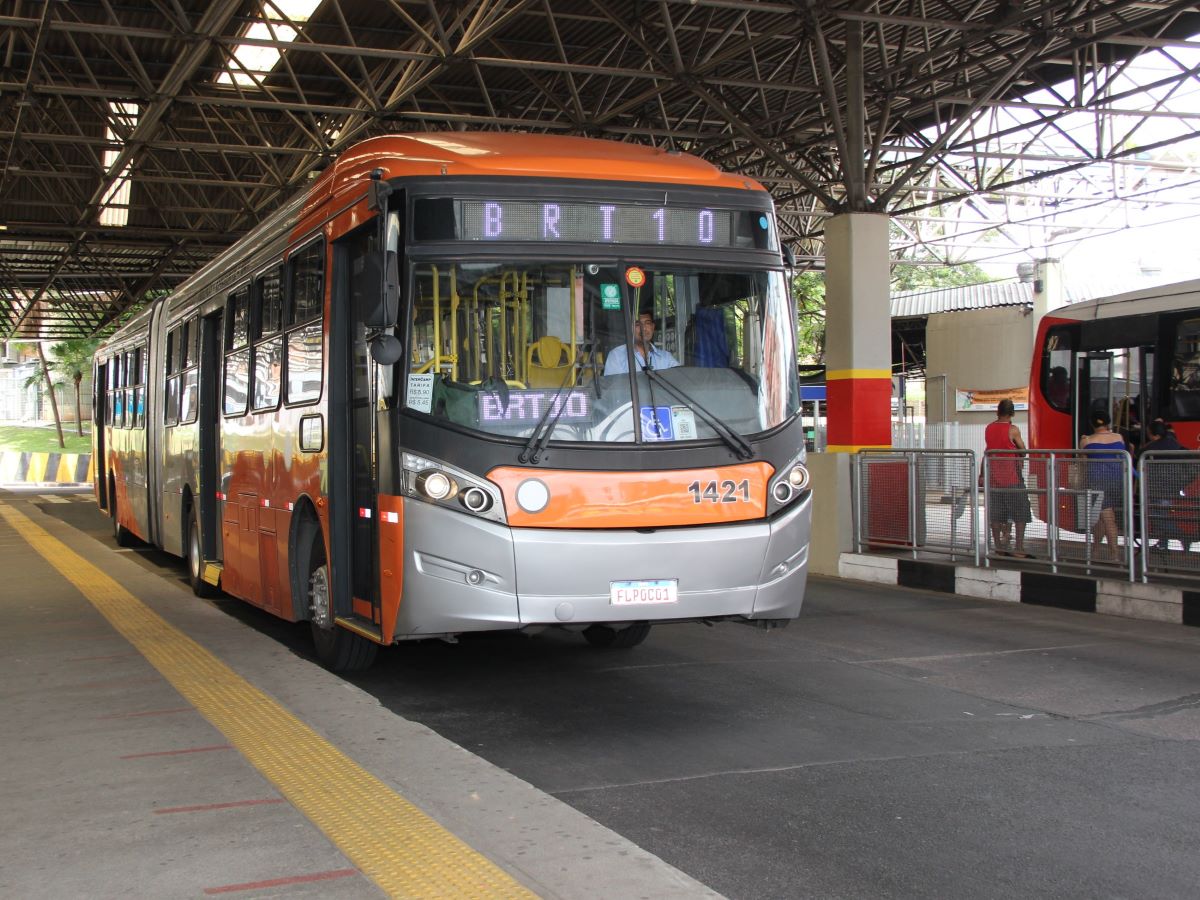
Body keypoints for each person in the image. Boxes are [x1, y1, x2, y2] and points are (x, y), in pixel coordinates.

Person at [1079, 409, 1129, 561]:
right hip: (1117, 480)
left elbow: (1082, 462)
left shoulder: (1086, 441)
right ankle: (1095, 550)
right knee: (1100, 517)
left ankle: (1114, 554)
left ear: (1092, 423)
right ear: (1108, 422)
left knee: (1107, 518)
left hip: (1098, 482)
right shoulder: (1118, 437)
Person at [984, 398, 1031, 557]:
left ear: (997, 411)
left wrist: (982, 474)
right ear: (1012, 413)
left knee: (996, 513)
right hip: (1012, 478)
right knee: (1021, 511)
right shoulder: (1013, 429)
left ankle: (998, 546)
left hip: (994, 478)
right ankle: (1018, 548)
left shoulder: (989, 428)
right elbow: (1023, 451)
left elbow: (987, 451)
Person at [604, 310, 680, 375]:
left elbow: (680, 382)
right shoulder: (617, 356)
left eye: (647, 323)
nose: (643, 328)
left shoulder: (666, 358)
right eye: (637, 324)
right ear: (630, 328)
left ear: (653, 327)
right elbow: (614, 389)